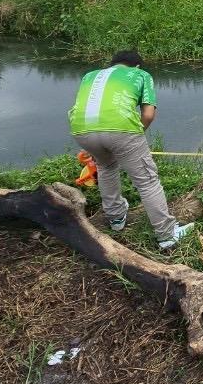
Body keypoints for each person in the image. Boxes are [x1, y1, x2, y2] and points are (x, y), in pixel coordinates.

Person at [69, 50, 193, 251]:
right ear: (136, 66)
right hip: (120, 129)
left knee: (106, 167)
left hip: (81, 130)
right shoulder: (141, 75)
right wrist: (136, 135)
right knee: (147, 180)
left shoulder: (90, 75)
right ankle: (167, 234)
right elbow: (148, 114)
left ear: (112, 65)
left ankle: (116, 218)